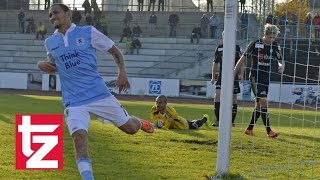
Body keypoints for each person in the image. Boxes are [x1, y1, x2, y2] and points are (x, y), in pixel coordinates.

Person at [37, 4, 154, 179]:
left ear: (67, 13)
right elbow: (52, 64)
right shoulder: (50, 42)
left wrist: (122, 72)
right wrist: (41, 65)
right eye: (50, 15)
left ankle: (138, 122)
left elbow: (115, 51)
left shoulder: (88, 32)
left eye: (55, 12)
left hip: (99, 94)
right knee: (79, 138)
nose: (52, 17)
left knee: (130, 128)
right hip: (73, 100)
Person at [234, 24, 285, 138]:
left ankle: (249, 129)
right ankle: (269, 131)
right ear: (265, 34)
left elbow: (281, 60)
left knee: (258, 105)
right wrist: (234, 73)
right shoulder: (255, 44)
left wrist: (281, 66)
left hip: (266, 78)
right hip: (255, 77)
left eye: (273, 38)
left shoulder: (275, 45)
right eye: (269, 37)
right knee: (263, 101)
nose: (271, 40)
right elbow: (242, 59)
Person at [211, 31, 241, 127]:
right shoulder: (219, 48)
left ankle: (231, 121)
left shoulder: (236, 48)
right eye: (224, 36)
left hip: (233, 77)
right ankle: (218, 120)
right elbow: (215, 63)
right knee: (217, 96)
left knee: (234, 99)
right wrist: (213, 76)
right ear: (223, 37)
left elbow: (241, 62)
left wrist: (241, 74)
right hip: (222, 77)